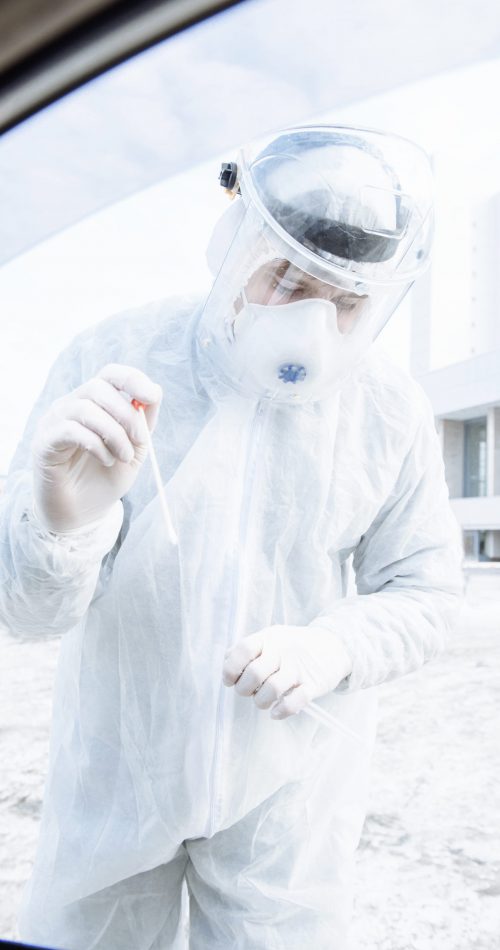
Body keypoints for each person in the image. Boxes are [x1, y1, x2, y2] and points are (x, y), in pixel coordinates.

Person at [1, 124, 462, 949]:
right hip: (116, 781)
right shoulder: (116, 359)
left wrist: (332, 646)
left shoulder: (386, 410)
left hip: (286, 805)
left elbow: (425, 591)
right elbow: (27, 613)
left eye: (346, 302)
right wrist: (64, 525)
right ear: (236, 241)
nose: (312, 324)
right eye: (288, 279)